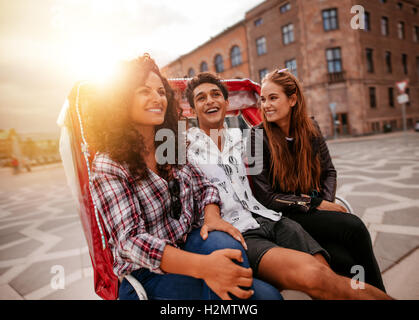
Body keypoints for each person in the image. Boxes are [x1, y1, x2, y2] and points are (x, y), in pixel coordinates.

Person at [86, 54, 282, 300]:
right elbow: (130, 242)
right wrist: (205, 267)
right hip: (146, 273)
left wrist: (212, 217)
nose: (157, 98)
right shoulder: (109, 164)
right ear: (121, 100)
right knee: (262, 298)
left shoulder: (171, 146)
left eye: (160, 91)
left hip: (187, 244)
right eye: (144, 91)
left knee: (244, 265)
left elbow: (204, 186)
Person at [185, 72, 392, 300]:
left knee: (328, 272)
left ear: (227, 103)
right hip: (242, 230)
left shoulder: (241, 138)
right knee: (316, 276)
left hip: (270, 218)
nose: (210, 100)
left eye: (216, 94)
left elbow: (321, 168)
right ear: (192, 111)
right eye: (201, 98)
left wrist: (321, 199)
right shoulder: (183, 144)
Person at [250, 68, 386, 292]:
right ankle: (381, 294)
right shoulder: (254, 138)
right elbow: (265, 197)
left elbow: (329, 172)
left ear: (293, 99)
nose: (266, 105)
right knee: (355, 227)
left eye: (273, 98)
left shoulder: (311, 127)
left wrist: (325, 203)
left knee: (345, 260)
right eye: (263, 99)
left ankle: (371, 295)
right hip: (283, 215)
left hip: (313, 211)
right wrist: (316, 205)